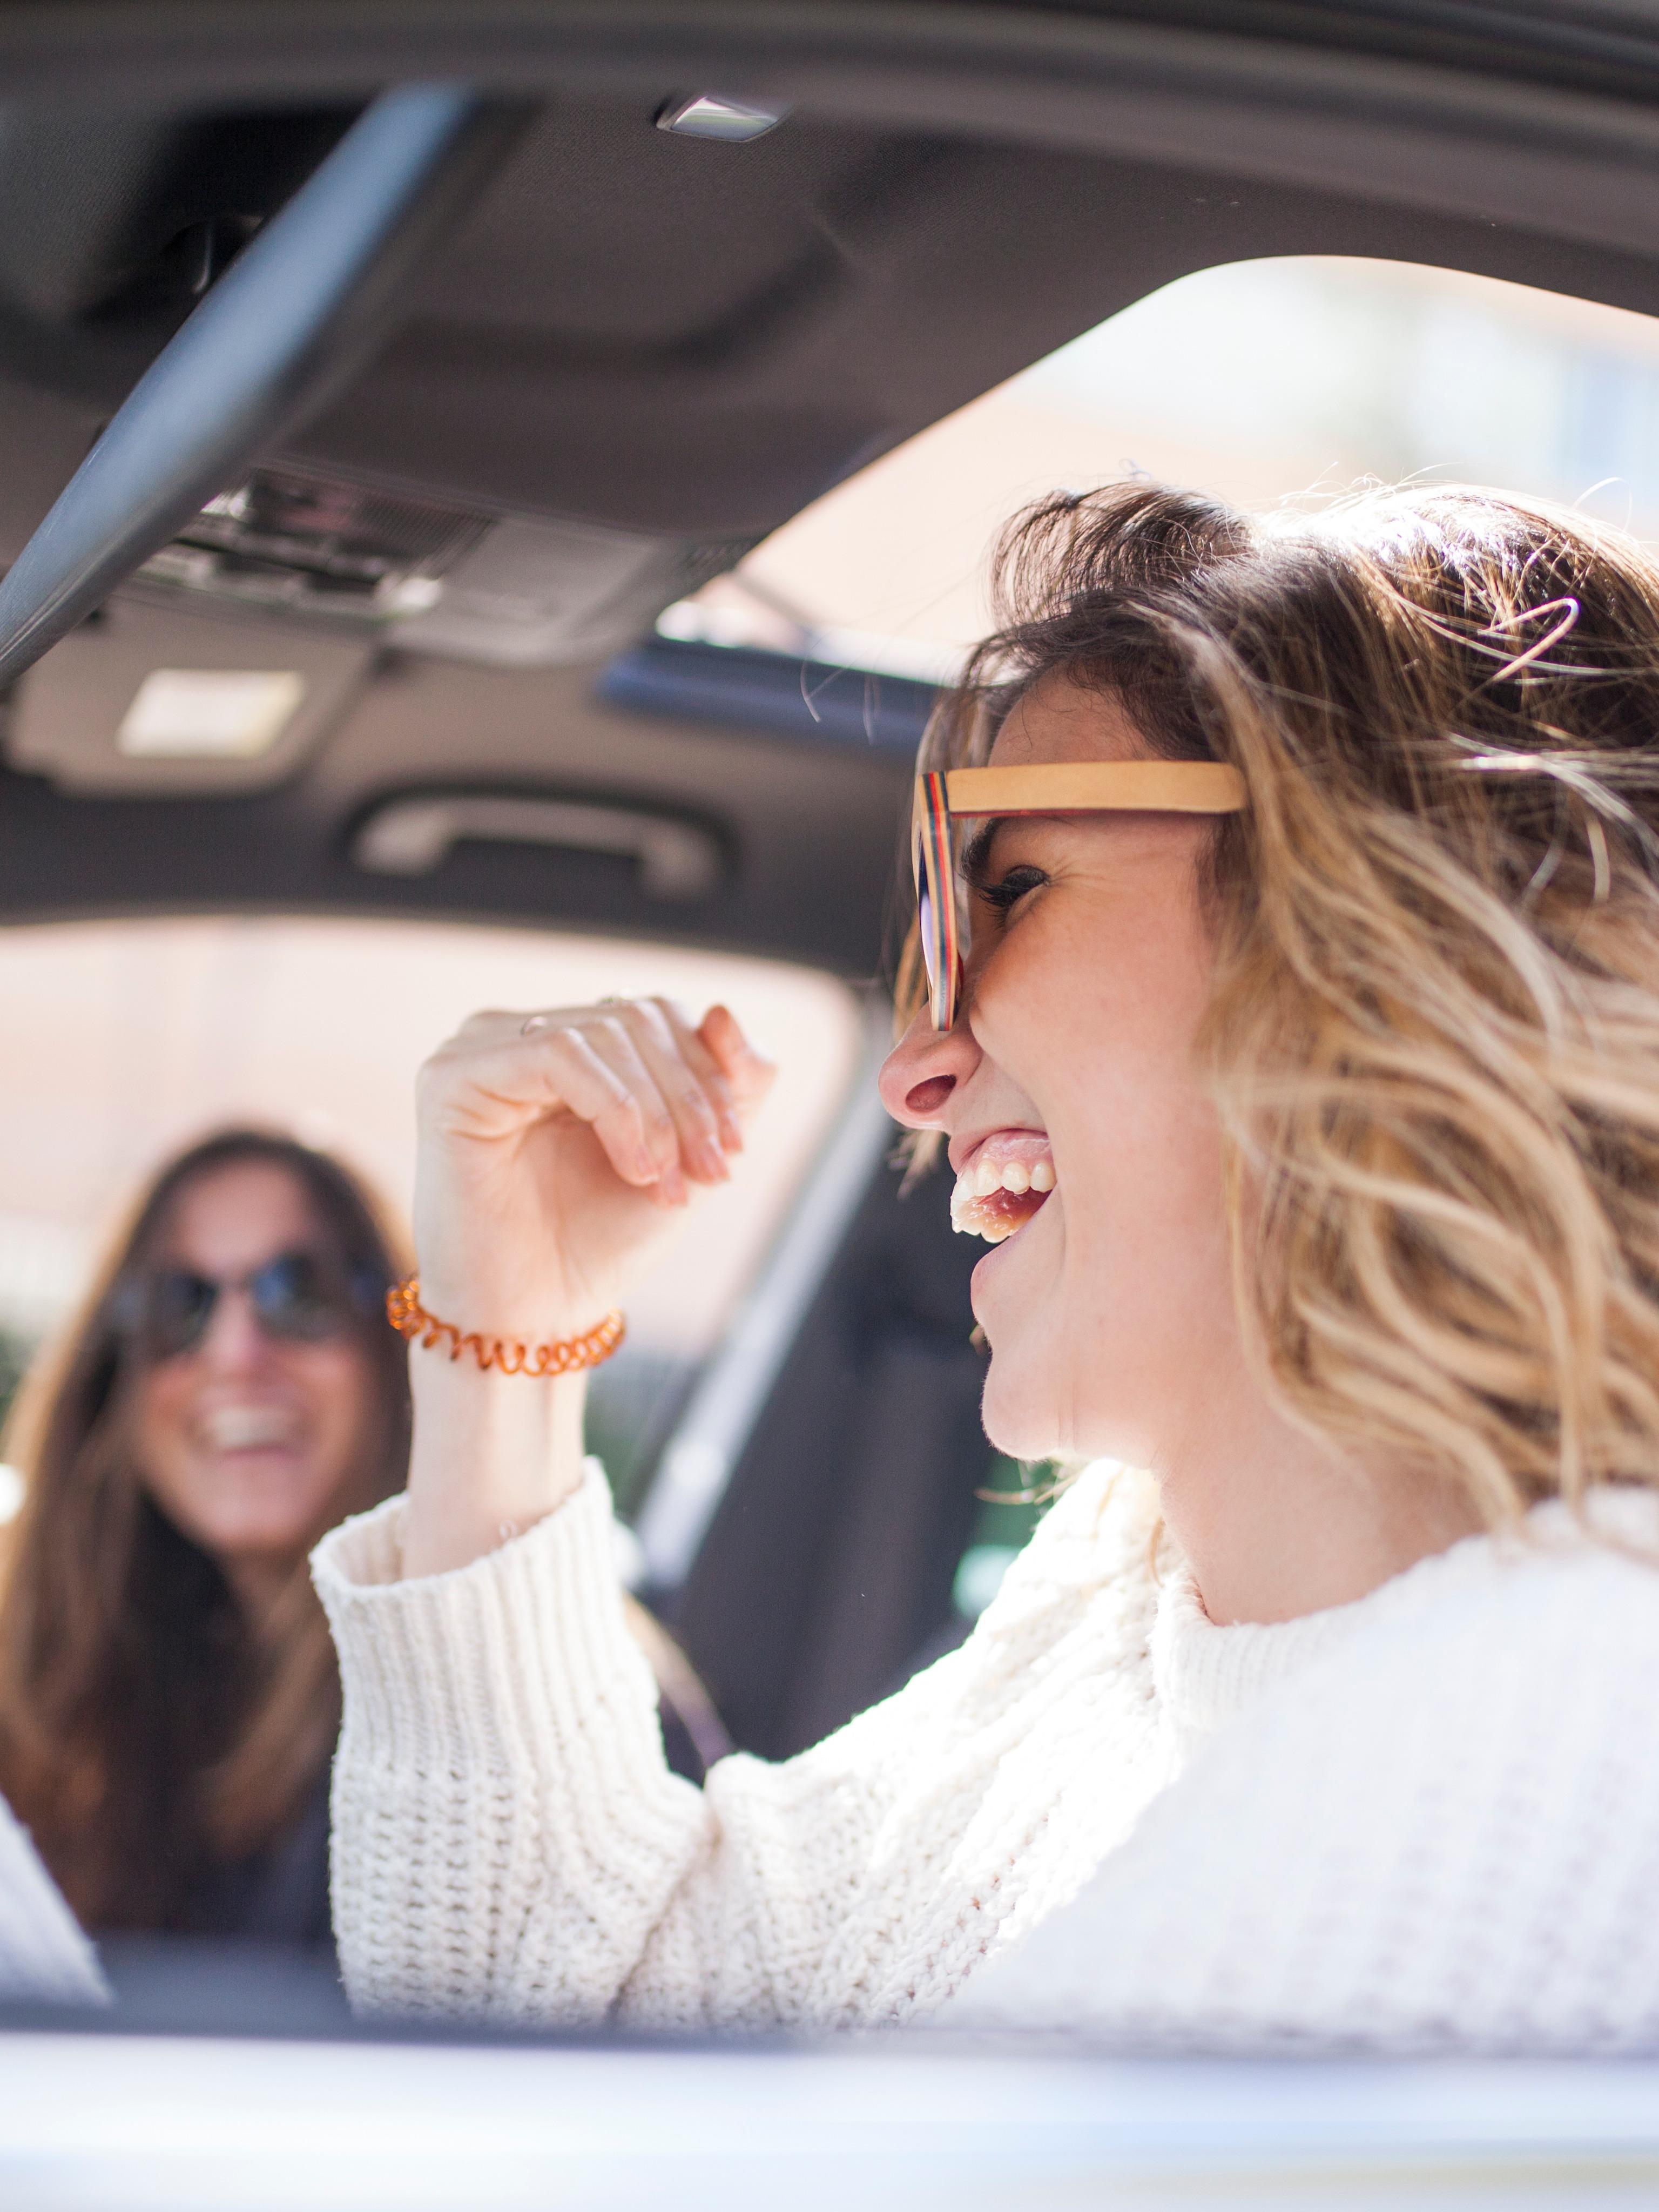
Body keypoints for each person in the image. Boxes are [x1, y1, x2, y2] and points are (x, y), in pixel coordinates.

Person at [314, 481, 1659, 2049]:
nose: (921, 1068)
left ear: (1386, 940)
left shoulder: (1573, 1728)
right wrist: (511, 1315)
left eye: (1009, 893)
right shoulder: (1121, 1612)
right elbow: (571, 2025)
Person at [0, 1128, 408, 1945]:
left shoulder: (520, 1699)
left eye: (301, 1289)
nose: (235, 1354)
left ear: (397, 1341)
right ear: (114, 1378)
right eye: (176, 1302)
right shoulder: (53, 1683)